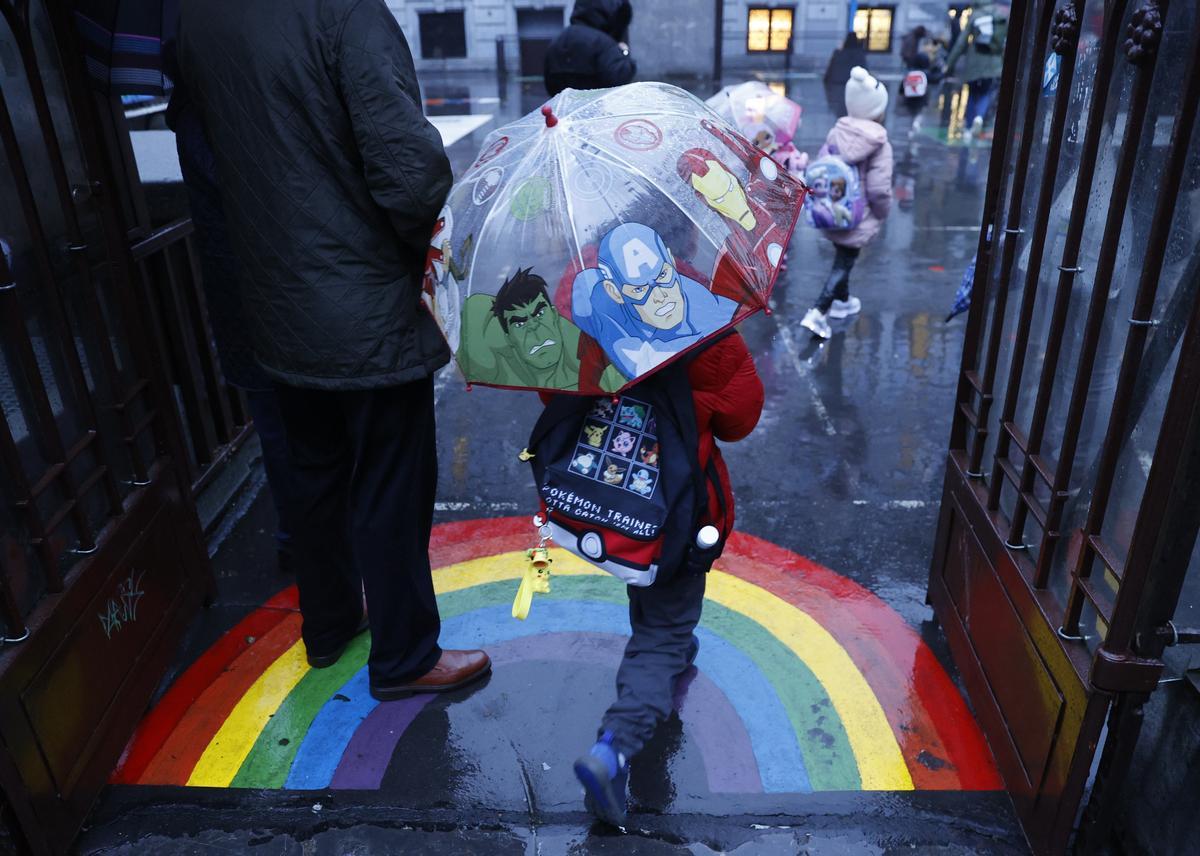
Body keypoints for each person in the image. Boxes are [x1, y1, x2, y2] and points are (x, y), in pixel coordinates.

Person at [177, 0, 490, 700]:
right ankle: (406, 655)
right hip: (364, 304)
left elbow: (210, 166)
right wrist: (439, 252)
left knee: (313, 472)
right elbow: (408, 175)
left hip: (273, 301)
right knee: (391, 483)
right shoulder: (345, 15)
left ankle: (328, 625)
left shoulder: (199, 22)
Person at [570, 330, 765, 826]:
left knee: (647, 582)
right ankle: (615, 745)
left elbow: (557, 390)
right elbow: (739, 418)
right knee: (665, 627)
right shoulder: (707, 327)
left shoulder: (582, 312)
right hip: (677, 509)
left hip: (613, 499)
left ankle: (671, 650)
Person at [164, 58, 297, 577]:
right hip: (269, 297)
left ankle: (297, 539)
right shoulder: (226, 117)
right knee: (293, 430)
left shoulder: (193, 114)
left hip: (242, 300)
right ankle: (306, 543)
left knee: (278, 428)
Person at [800, 66, 894, 340]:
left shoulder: (836, 133)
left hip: (833, 212)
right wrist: (881, 214)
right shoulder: (880, 144)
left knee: (844, 258)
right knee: (843, 263)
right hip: (859, 216)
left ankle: (843, 301)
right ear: (878, 109)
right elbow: (879, 189)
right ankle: (817, 313)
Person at [457, 267, 626, 392]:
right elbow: (475, 305)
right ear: (508, 338)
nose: (534, 329)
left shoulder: (591, 353)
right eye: (520, 324)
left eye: (539, 314)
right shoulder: (503, 363)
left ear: (554, 315)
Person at [946, 2, 1009, 143]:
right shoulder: (999, 15)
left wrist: (949, 64)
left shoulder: (976, 15)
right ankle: (979, 117)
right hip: (994, 64)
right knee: (986, 93)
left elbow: (962, 42)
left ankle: (968, 128)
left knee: (973, 94)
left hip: (974, 63)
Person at [544, 0, 636, 96]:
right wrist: (624, 52)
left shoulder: (558, 40)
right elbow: (618, 79)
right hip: (597, 107)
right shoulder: (603, 43)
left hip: (565, 108)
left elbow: (549, 83)